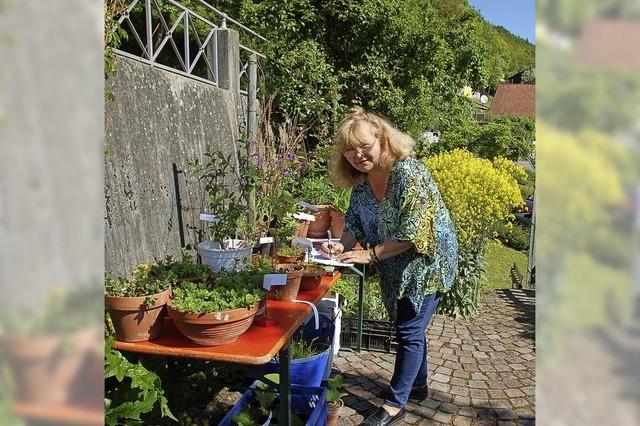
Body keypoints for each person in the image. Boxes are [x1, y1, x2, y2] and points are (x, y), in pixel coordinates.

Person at [320, 107, 458, 426]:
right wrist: (339, 244)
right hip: (394, 265)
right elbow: (353, 222)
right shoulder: (363, 185)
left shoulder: (409, 172)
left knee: (409, 331)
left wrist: (369, 256)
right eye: (350, 150)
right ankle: (418, 385)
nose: (357, 154)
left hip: (429, 262)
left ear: (382, 140)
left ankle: (395, 405)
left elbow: (413, 231)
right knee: (409, 328)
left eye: (364, 146)